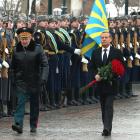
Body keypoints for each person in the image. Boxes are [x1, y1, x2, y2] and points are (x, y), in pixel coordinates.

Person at [11, 27, 49, 133]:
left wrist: (43, 78)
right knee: (20, 102)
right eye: (22, 39)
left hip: (35, 81)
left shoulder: (38, 48)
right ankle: (18, 124)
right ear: (19, 38)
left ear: (30, 38)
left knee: (34, 104)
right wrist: (13, 78)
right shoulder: (16, 50)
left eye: (26, 39)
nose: (24, 41)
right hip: (21, 81)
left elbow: (45, 65)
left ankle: (33, 125)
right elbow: (13, 67)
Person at [89, 32, 125, 136]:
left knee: (109, 105)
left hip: (111, 84)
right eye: (102, 38)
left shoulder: (116, 52)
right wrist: (95, 75)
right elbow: (91, 67)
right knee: (103, 106)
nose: (103, 39)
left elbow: (121, 67)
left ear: (110, 39)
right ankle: (105, 125)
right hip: (100, 85)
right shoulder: (95, 52)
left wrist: (111, 75)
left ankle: (107, 128)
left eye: (106, 37)